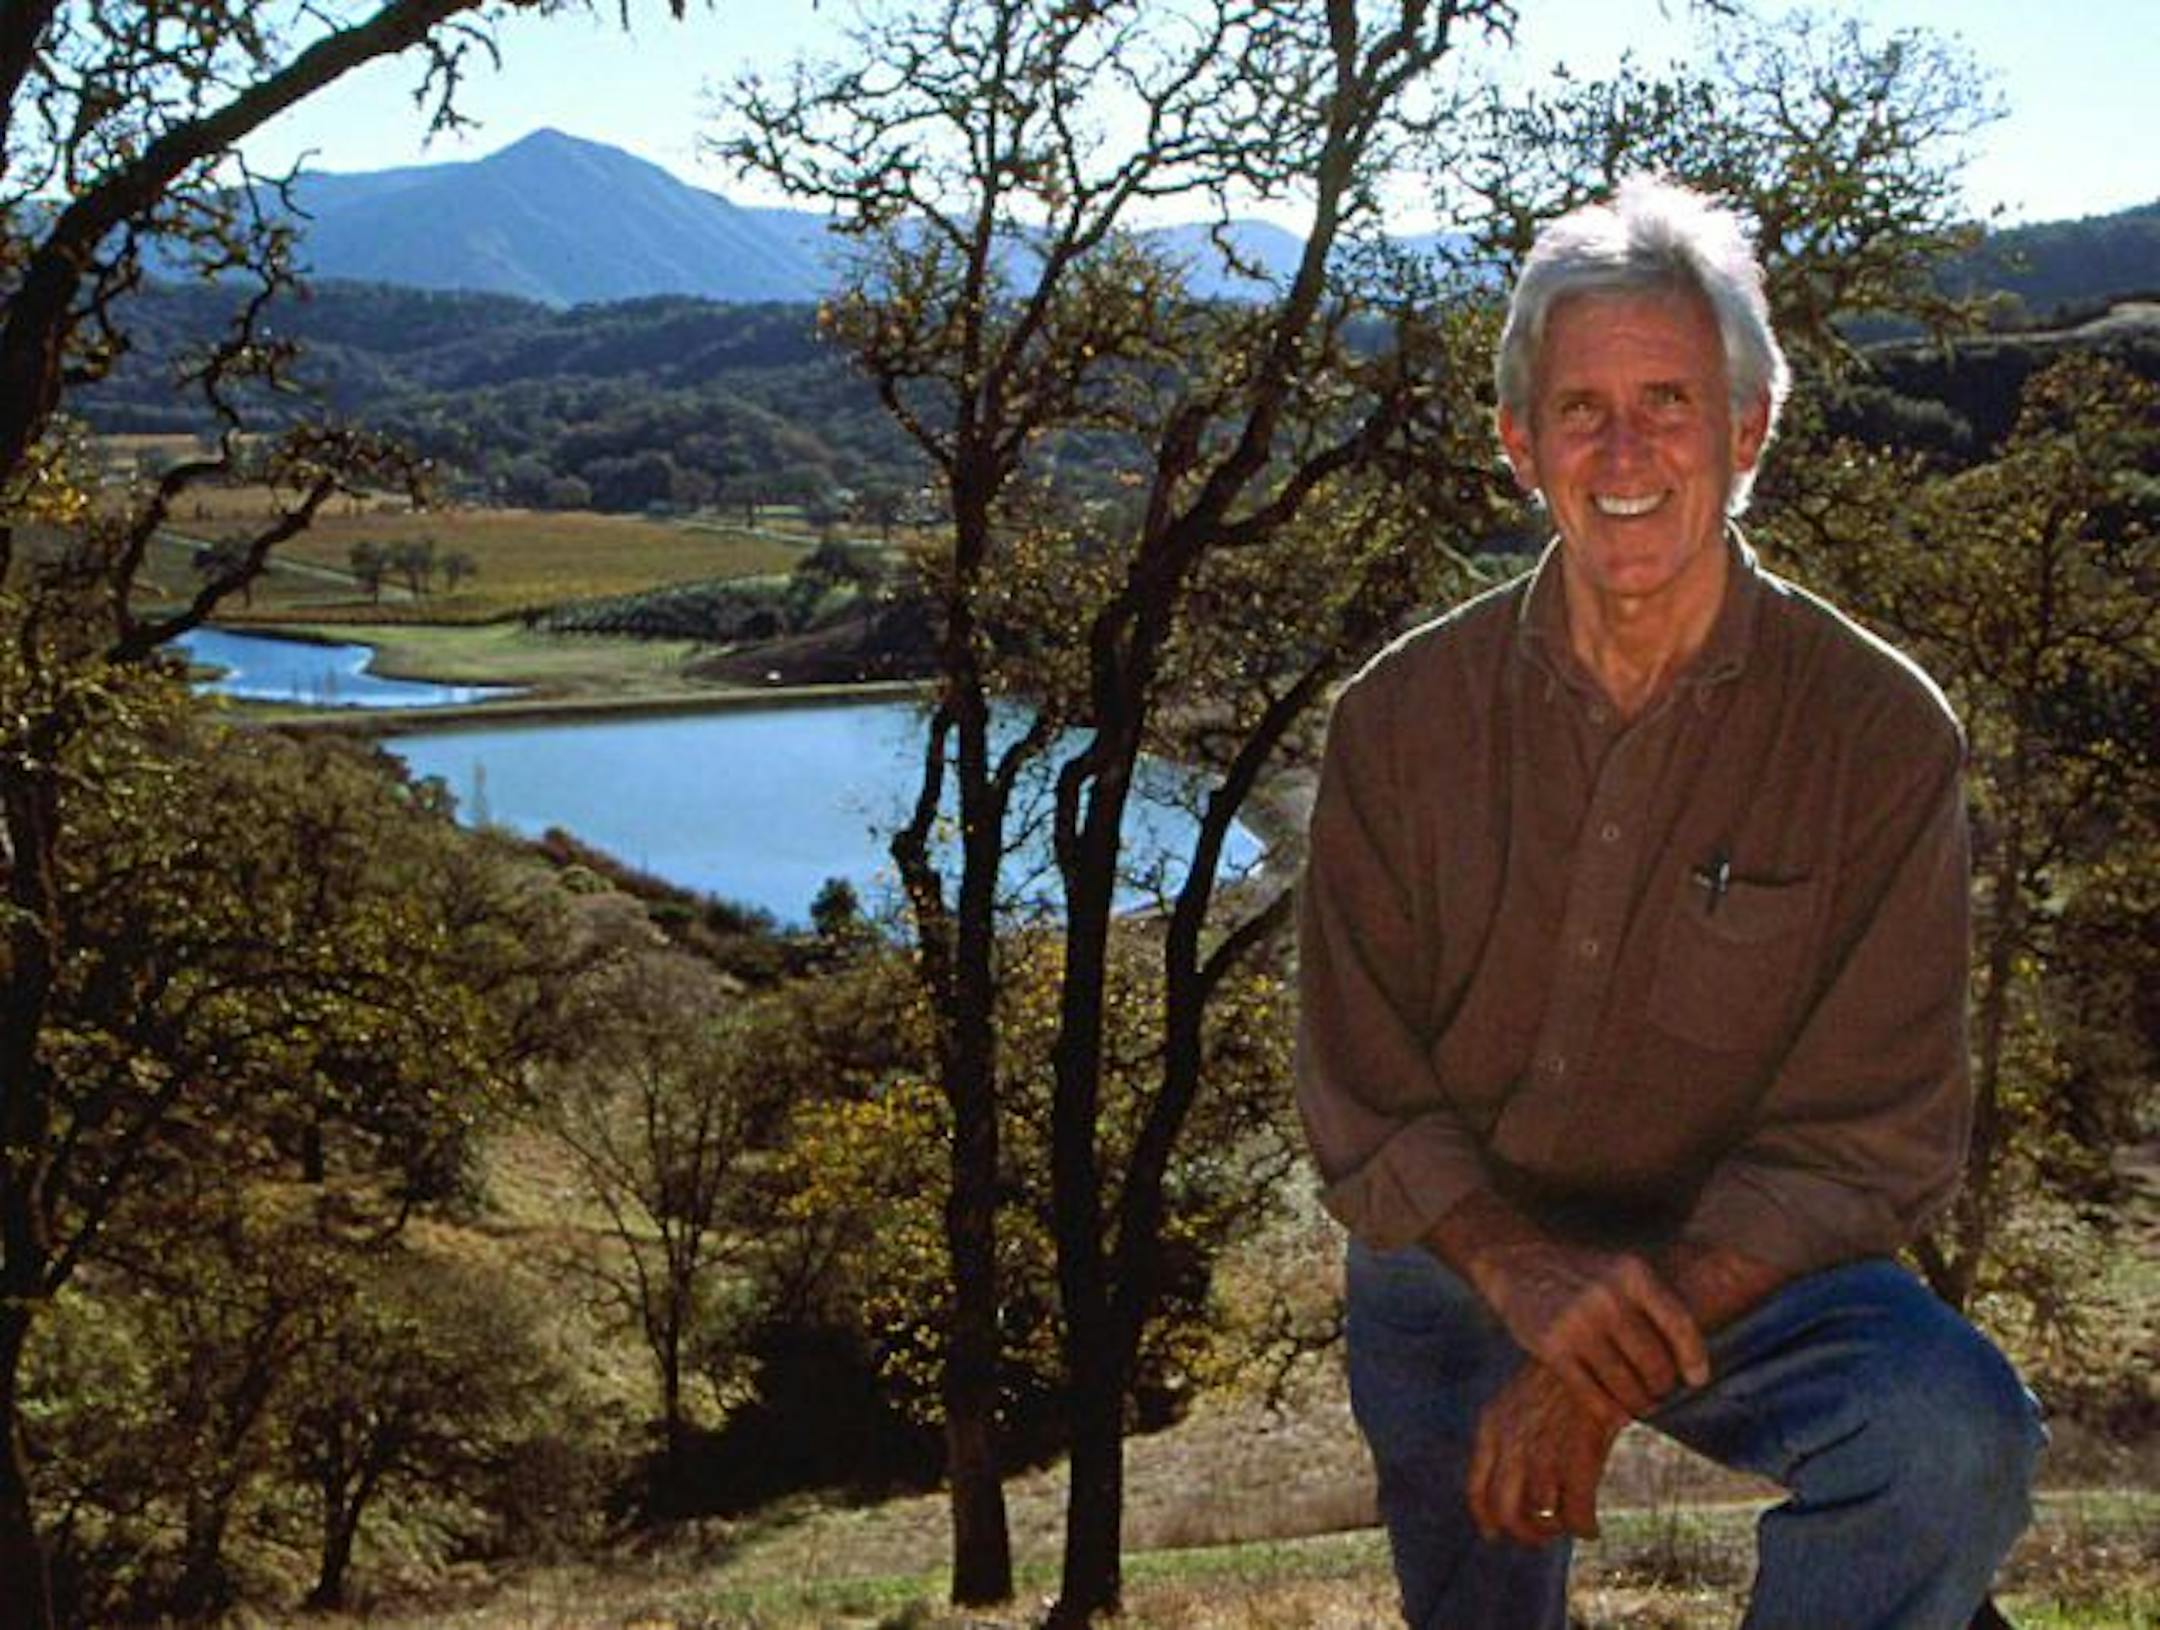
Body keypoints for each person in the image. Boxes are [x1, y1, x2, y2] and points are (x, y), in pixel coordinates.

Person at [1295, 175, 2046, 1630]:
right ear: (1520, 444)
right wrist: (1521, 1276)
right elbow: (1365, 1090)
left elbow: (1874, 1137)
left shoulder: (1882, 735)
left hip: (1750, 1262)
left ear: (1748, 429)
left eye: (1671, 401)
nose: (1625, 448)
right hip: (1467, 1253)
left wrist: (1597, 1355)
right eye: (1581, 409)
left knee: (1953, 1438)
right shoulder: (1395, 725)